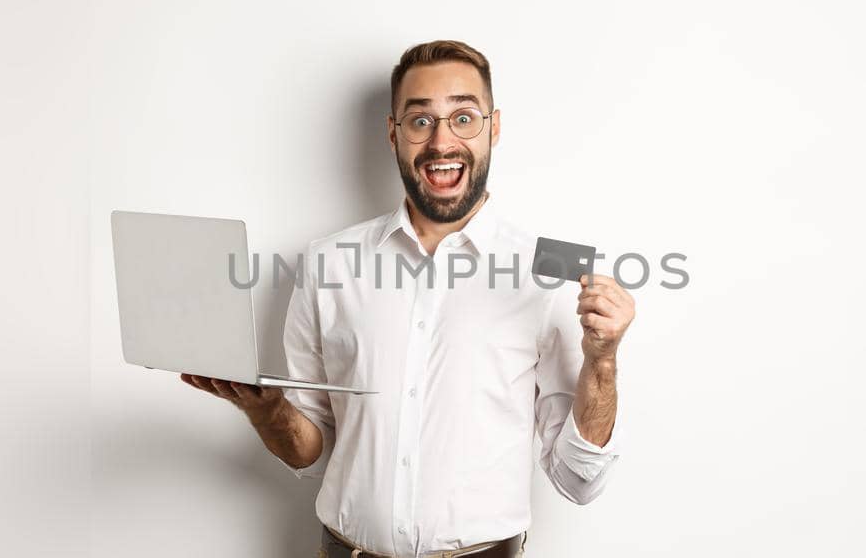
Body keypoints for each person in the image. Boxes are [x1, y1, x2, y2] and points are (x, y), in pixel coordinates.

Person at [182, 40, 634, 558]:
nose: (443, 142)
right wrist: (267, 411)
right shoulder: (327, 263)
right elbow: (309, 452)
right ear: (393, 133)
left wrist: (603, 362)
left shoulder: (550, 272)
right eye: (421, 121)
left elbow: (580, 481)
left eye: (464, 117)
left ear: (494, 127)